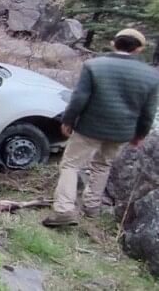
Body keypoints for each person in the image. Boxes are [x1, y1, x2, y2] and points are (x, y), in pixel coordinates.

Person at [42, 29, 159, 227]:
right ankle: (92, 207)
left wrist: (68, 120)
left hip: (89, 128)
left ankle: (64, 210)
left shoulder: (94, 65)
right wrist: (140, 134)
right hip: (121, 132)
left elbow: (79, 98)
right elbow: (148, 112)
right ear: (139, 49)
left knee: (71, 165)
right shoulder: (151, 76)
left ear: (114, 43)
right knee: (103, 165)